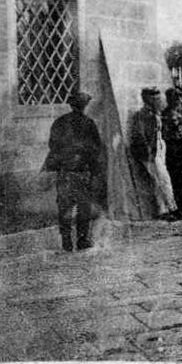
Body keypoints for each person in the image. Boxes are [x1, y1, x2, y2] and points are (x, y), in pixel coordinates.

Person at [42, 91, 104, 251]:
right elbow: (96, 149)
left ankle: (66, 241)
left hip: (64, 171)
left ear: (71, 104)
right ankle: (82, 240)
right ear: (85, 106)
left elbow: (52, 145)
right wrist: (95, 171)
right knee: (84, 207)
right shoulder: (88, 123)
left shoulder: (59, 122)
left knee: (64, 207)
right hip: (82, 171)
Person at [129, 87, 182, 220]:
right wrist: (148, 151)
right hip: (149, 151)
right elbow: (140, 135)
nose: (157, 100)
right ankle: (164, 210)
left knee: (164, 180)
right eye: (154, 98)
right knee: (158, 181)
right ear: (147, 99)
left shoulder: (155, 113)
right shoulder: (142, 115)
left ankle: (172, 208)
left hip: (159, 147)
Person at [160, 87, 182, 217]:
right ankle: (181, 204)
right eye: (176, 98)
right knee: (177, 177)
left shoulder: (177, 112)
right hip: (174, 147)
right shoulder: (167, 113)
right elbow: (167, 132)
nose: (178, 100)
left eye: (179, 98)